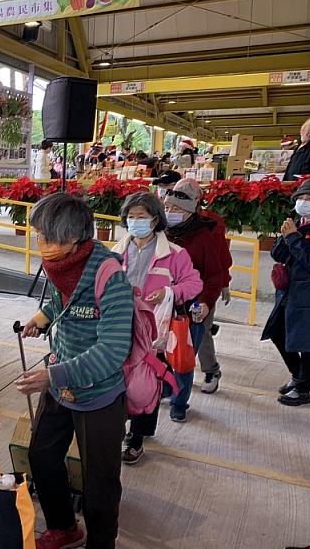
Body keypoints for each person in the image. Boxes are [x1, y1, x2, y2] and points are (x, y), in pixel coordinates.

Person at [17, 193, 133, 549]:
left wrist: (54, 376)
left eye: (47, 238)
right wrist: (42, 318)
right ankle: (65, 527)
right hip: (61, 383)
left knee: (99, 480)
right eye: (38, 235)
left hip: (99, 393)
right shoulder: (61, 265)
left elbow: (112, 351)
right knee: (41, 456)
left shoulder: (111, 277)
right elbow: (58, 300)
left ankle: (101, 543)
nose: (41, 244)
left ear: (74, 239)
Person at [112, 192, 203, 463]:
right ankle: (117, 426)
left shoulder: (175, 254)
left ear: (155, 220)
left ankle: (137, 437)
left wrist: (168, 293)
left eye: (141, 217)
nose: (135, 222)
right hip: (118, 325)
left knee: (145, 383)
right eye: (131, 217)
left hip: (153, 329)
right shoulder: (116, 251)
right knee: (116, 379)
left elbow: (194, 284)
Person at [163, 183, 227, 422]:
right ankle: (167, 389)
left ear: (189, 212)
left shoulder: (203, 236)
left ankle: (180, 403)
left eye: (174, 208)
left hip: (191, 309)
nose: (169, 212)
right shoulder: (162, 233)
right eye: (166, 207)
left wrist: (205, 302)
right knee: (162, 354)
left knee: (183, 358)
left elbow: (214, 275)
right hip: (163, 305)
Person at [261, 179, 310, 406]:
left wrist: (294, 237)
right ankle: (298, 376)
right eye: (301, 199)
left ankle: (303, 388)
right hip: (289, 292)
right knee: (278, 331)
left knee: (307, 341)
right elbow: (278, 254)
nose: (305, 203)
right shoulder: (297, 222)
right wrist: (286, 236)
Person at [173, 178, 233, 394]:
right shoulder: (167, 224)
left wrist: (223, 283)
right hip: (174, 292)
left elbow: (219, 259)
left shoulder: (210, 223)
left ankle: (210, 370)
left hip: (202, 290)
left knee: (202, 332)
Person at [284, 117, 310, 181]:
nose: (301, 133)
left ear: (308, 133)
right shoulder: (302, 146)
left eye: (303, 131)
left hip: (305, 187)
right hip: (294, 184)